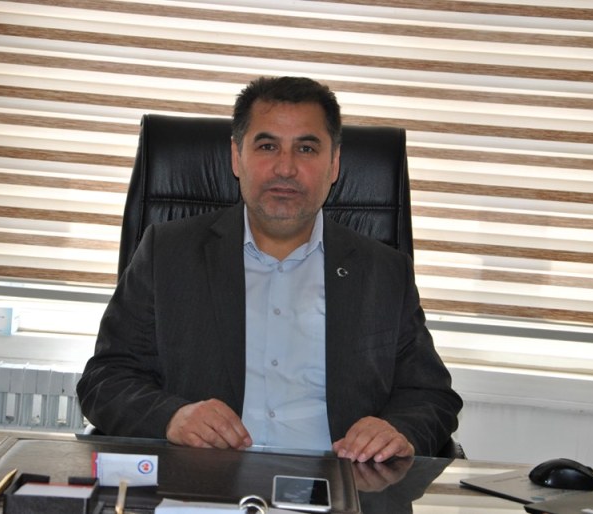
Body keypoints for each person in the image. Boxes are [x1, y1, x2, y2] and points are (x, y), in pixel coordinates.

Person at [76, 76, 462, 463]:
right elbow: (105, 380)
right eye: (267, 146)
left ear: (334, 164)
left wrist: (397, 430)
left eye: (306, 148)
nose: (285, 168)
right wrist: (171, 417)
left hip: (339, 484)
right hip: (202, 484)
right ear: (236, 157)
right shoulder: (168, 253)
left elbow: (430, 396)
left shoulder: (384, 272)